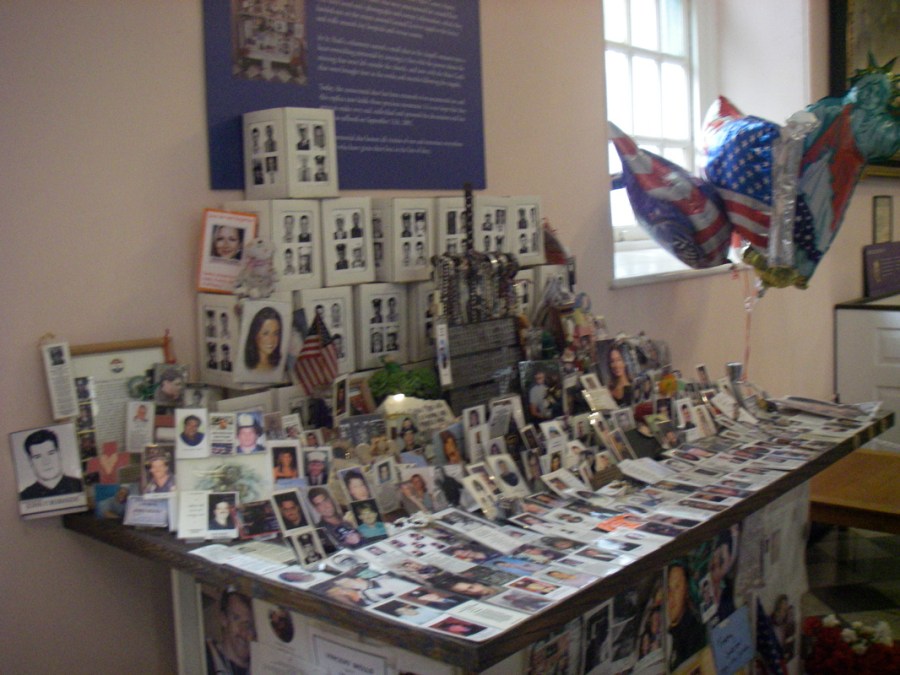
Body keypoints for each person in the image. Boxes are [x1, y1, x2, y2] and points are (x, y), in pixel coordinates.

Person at [18, 428, 83, 500]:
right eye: (38, 457)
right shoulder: (24, 497)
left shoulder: (80, 486)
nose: (46, 462)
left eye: (51, 453)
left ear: (60, 454)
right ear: (30, 462)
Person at [667, 562, 707, 671]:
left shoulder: (696, 634)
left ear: (687, 591)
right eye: (669, 589)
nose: (671, 596)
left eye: (677, 587)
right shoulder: (671, 632)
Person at [205, 589, 254, 675]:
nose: (243, 631)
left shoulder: (263, 666)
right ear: (223, 619)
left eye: (249, 624)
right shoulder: (203, 655)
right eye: (236, 618)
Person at [243, 306, 282, 373]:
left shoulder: (280, 364)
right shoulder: (247, 368)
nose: (271, 339)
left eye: (275, 333)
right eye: (265, 333)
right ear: (254, 334)